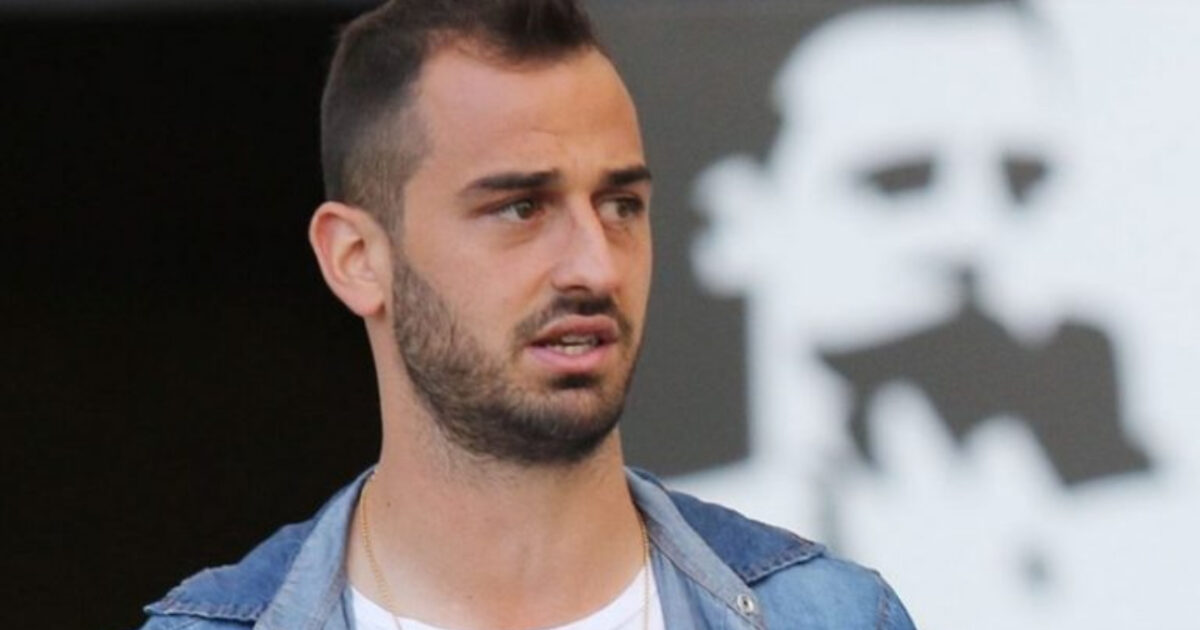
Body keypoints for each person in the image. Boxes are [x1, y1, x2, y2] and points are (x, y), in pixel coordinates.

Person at [138, 1, 914, 628]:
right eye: (521, 208)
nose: (595, 266)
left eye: (620, 204)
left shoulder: (834, 616)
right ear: (357, 258)